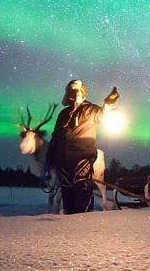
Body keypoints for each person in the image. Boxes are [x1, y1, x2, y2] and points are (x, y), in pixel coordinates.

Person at [47, 79, 119, 214]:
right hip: (64, 159)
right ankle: (70, 221)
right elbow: (56, 137)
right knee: (67, 190)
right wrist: (50, 157)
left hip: (83, 155)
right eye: (71, 92)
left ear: (82, 93)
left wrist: (109, 103)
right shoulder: (63, 114)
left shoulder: (90, 110)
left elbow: (102, 113)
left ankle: (84, 221)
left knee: (82, 186)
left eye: (76, 91)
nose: (73, 94)